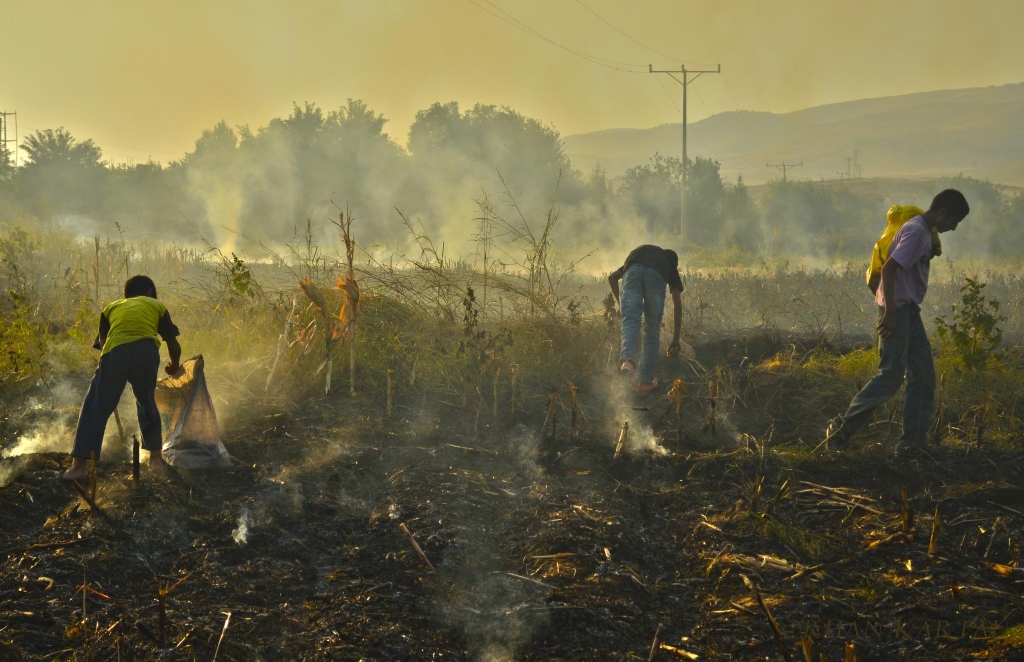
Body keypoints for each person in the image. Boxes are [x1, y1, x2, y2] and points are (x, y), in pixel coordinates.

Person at [825, 189, 970, 451]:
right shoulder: (916, 232)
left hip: (908, 311)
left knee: (923, 376)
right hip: (897, 311)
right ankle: (838, 431)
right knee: (890, 376)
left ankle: (912, 445)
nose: (954, 228)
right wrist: (890, 312)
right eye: (954, 221)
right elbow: (890, 268)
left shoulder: (923, 231)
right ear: (942, 212)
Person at [60, 275, 181, 481]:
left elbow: (104, 344)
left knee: (95, 406)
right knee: (147, 403)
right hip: (146, 352)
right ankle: (156, 461)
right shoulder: (156, 305)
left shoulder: (111, 308)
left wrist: (106, 372)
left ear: (125, 295)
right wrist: (174, 365)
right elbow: (172, 343)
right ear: (150, 292)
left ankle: (78, 467)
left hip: (115, 353)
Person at [608, 245, 684, 395]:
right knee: (651, 328)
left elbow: (612, 278)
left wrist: (621, 304)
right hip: (655, 276)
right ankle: (645, 381)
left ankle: (628, 362)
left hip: (632, 271)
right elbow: (677, 302)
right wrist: (676, 339)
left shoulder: (641, 255)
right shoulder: (668, 262)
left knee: (630, 322)